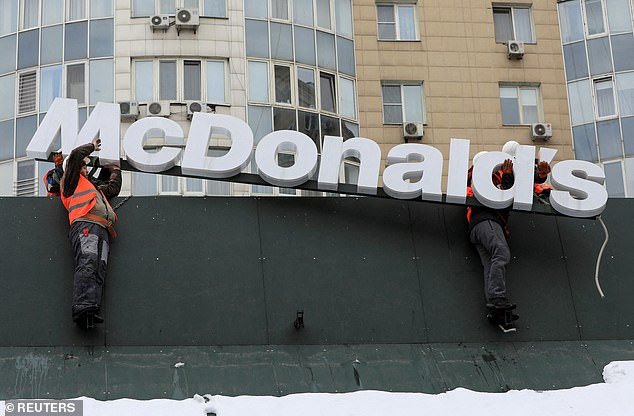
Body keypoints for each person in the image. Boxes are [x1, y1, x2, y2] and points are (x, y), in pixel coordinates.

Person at [466, 149, 551, 310]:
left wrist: (540, 176)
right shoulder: (487, 176)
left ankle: (495, 301)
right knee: (501, 251)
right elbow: (502, 193)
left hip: (478, 226)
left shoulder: (476, 176)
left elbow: (523, 184)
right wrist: (507, 175)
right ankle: (497, 297)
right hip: (486, 220)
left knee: (491, 263)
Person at [60, 138, 122, 328]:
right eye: (83, 167)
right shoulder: (71, 181)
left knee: (98, 267)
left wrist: (116, 170)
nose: (85, 170)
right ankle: (82, 306)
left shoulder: (92, 188)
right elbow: (76, 155)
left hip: (101, 229)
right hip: (86, 226)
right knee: (88, 263)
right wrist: (92, 147)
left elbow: (112, 188)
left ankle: (90, 308)